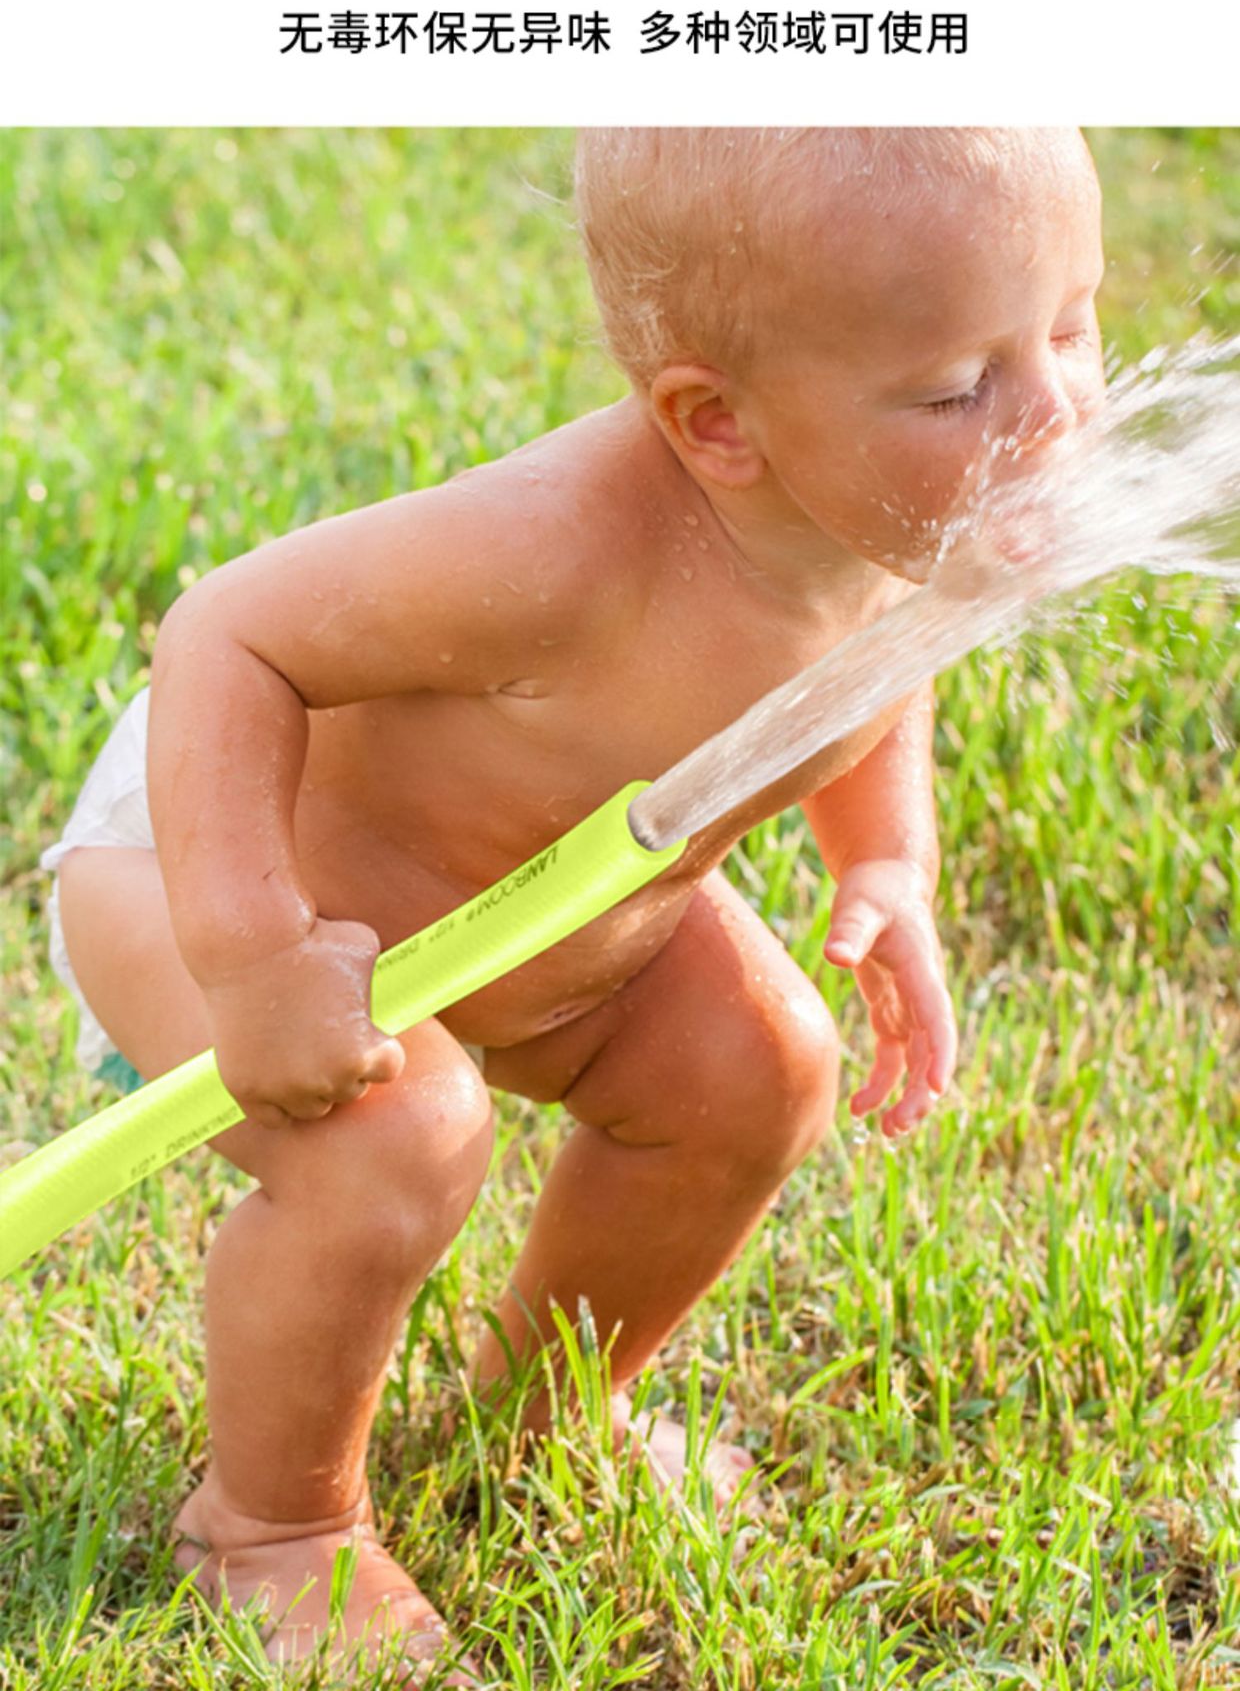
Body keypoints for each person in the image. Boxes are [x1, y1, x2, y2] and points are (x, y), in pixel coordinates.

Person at [42, 126, 1106, 1680]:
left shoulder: (912, 503)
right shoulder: (559, 553)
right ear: (717, 422)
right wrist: (254, 948)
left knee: (760, 1067)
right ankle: (268, 1530)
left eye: (1073, 324)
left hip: (543, 911)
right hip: (216, 862)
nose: (1057, 413)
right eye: (960, 385)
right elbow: (229, 637)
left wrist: (888, 866)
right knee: (401, 1137)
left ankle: (540, 1416)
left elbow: (884, 664)